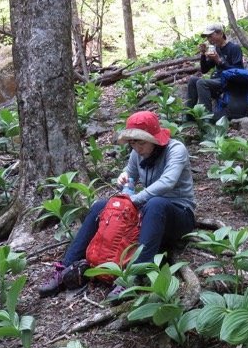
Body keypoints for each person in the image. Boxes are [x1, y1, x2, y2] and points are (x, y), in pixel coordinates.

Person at [39, 111, 196, 298]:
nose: (137, 148)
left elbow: (168, 182)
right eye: (132, 143)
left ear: (154, 138)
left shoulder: (176, 149)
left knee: (156, 204)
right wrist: (124, 180)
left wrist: (135, 200)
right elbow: (129, 178)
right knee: (101, 207)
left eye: (141, 143)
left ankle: (133, 277)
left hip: (179, 215)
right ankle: (65, 268)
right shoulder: (138, 154)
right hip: (149, 214)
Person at [186, 22, 244, 115]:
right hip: (218, 80)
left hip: (230, 81)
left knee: (201, 82)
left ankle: (207, 117)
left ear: (221, 34)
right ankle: (187, 116)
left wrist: (219, 60)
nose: (209, 39)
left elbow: (238, 71)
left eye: (211, 36)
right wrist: (202, 54)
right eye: (207, 37)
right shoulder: (215, 49)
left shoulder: (234, 48)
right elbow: (205, 70)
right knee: (193, 80)